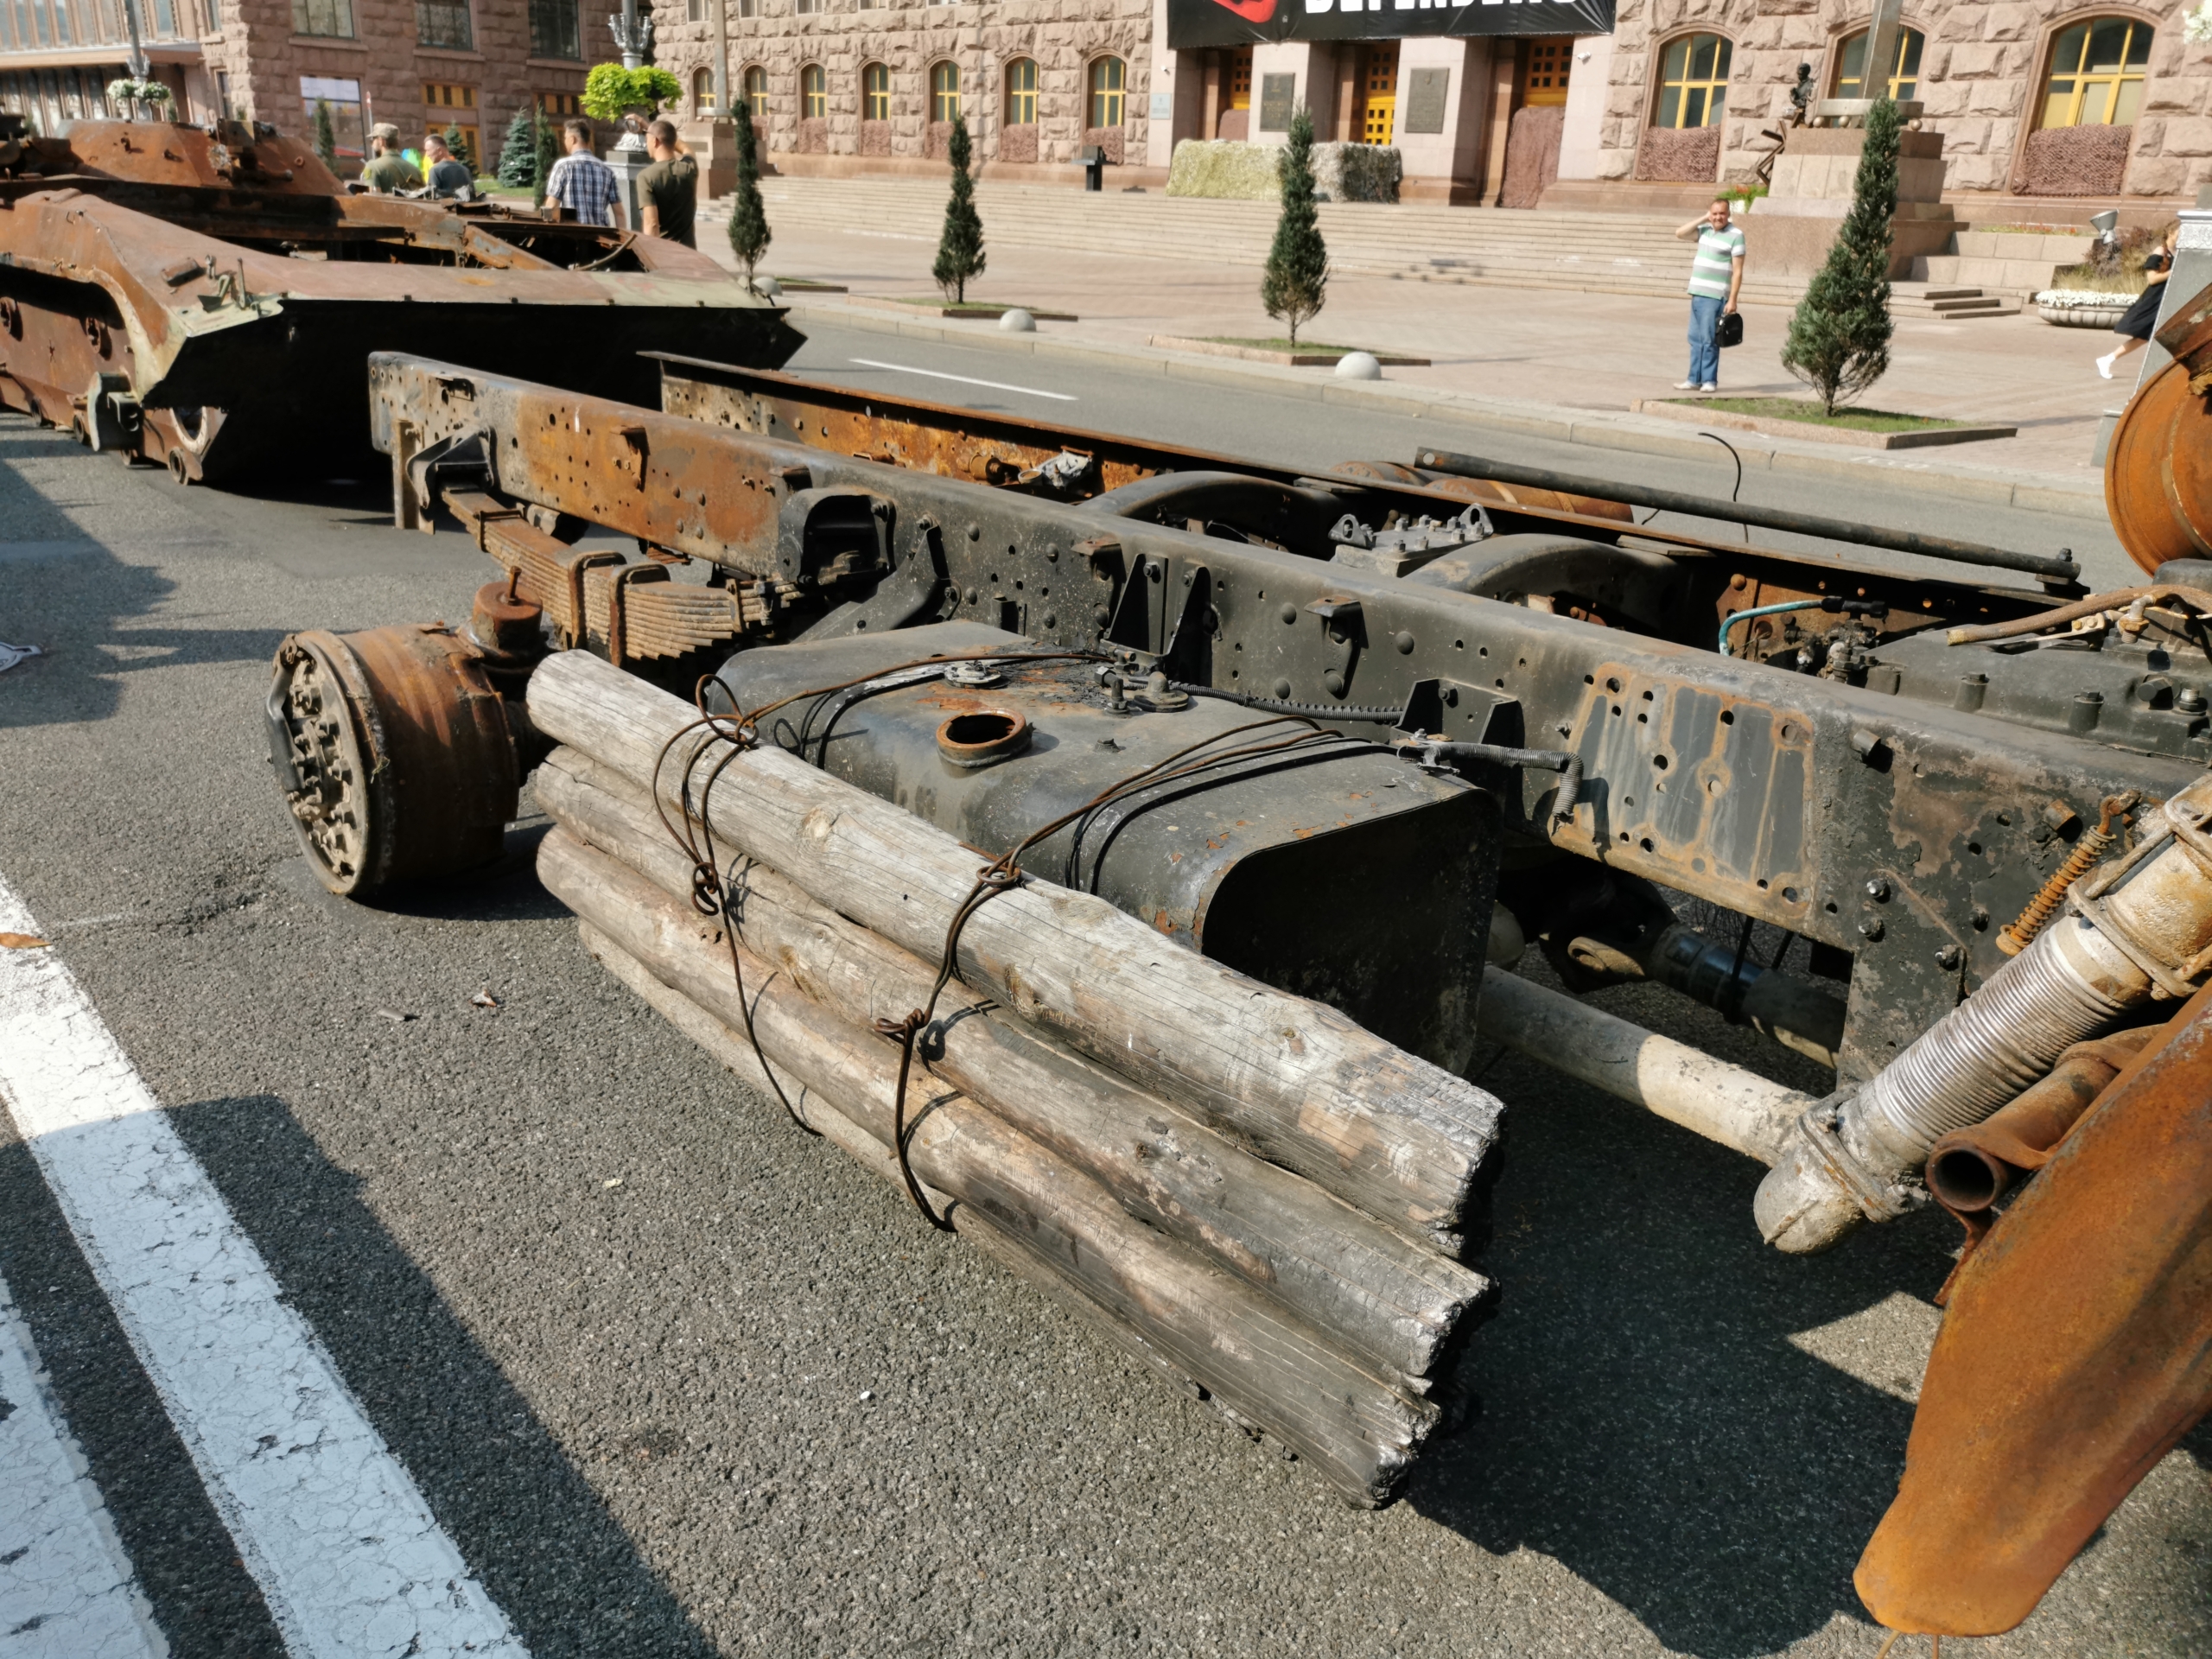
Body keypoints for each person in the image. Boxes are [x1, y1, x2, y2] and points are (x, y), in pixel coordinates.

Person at [1673, 196, 1745, 394]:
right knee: (1695, 339)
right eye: (1714, 213)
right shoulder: (1704, 230)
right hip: (1697, 293)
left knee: (1709, 340)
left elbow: (1738, 271)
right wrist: (1704, 218)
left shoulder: (1736, 235)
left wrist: (1733, 299)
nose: (1718, 217)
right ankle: (1693, 379)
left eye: (1722, 213)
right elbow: (1679, 233)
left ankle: (1709, 380)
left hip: (1715, 296)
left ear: (1728, 214)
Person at [2098, 222, 2181, 380]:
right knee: (2144, 336)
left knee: (2166, 335)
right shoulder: (2160, 252)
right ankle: (2107, 360)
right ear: (2171, 233)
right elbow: (2152, 279)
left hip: (2169, 299)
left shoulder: (2178, 252)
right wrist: (2174, 272)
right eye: (2180, 232)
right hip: (2155, 300)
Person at [543, 118, 621, 228]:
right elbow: (619, 213)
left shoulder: (563, 166)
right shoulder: (606, 170)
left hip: (571, 233)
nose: (564, 142)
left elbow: (551, 206)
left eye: (565, 138)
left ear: (572, 139)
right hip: (601, 235)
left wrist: (545, 228)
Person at [636, 118, 698, 248]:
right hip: (689, 252)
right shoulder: (689, 169)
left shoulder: (646, 177)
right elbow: (685, 148)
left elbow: (652, 224)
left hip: (665, 253)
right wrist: (649, 126)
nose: (646, 144)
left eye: (647, 140)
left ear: (655, 141)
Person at [359, 123, 421, 194]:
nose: (372, 144)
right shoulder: (415, 170)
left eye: (372, 140)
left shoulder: (373, 166)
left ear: (381, 141)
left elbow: (374, 196)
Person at [421, 131, 474, 200]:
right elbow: (472, 196)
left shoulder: (435, 171)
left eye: (428, 150)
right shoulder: (465, 170)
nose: (427, 155)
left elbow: (432, 199)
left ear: (439, 151)